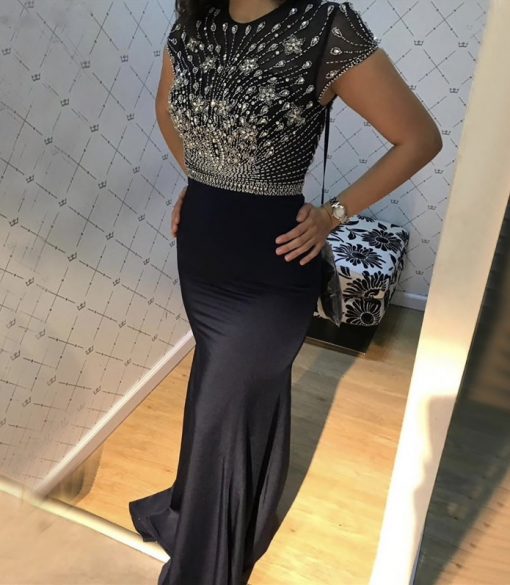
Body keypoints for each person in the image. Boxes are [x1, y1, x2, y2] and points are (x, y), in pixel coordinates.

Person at [128, 1, 443, 584]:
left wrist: (334, 214)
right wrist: (204, 178)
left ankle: (205, 564)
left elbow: (420, 138)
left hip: (270, 266)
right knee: (226, 394)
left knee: (224, 401)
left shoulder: (326, 26)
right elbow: (168, 110)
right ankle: (202, 511)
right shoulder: (194, 20)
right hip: (201, 252)